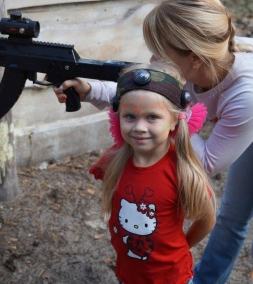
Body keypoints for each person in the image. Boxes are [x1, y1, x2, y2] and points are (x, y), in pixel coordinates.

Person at [54, 0, 253, 284]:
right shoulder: (203, 60)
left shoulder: (252, 94)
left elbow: (206, 161)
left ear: (194, 59)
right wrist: (90, 90)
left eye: (161, 52)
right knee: (230, 221)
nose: (153, 59)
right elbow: (146, 99)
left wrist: (174, 113)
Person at [87, 62, 216, 284]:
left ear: (175, 120)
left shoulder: (182, 170)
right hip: (128, 272)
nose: (139, 127)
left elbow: (207, 219)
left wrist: (183, 245)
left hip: (171, 278)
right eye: (130, 116)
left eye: (152, 117)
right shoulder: (114, 161)